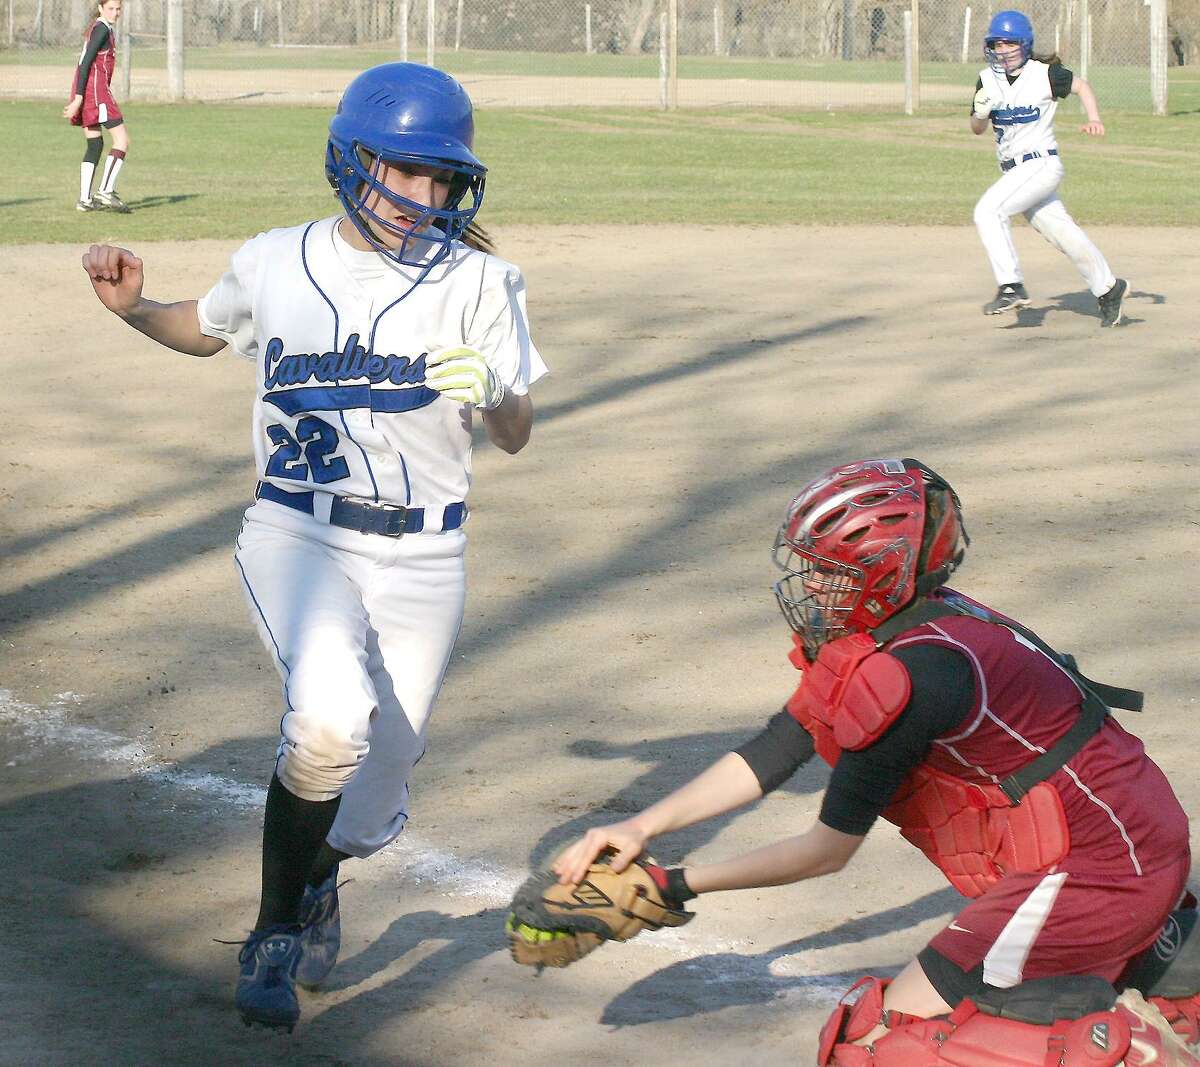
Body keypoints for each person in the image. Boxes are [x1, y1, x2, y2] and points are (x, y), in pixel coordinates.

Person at [80, 62, 547, 1032]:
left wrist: (494, 390)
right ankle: (272, 933)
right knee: (330, 722)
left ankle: (320, 876)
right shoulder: (274, 260)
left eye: (442, 180)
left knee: (372, 808)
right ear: (352, 160)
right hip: (297, 531)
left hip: (425, 556)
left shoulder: (481, 281)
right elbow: (208, 333)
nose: (423, 198)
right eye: (404, 172)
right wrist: (134, 307)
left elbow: (515, 431)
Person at [550, 458, 1199, 1065]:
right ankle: (1156, 969)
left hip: (1102, 871)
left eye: (831, 570)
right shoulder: (906, 627)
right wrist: (642, 828)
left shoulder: (914, 677)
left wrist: (676, 884)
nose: (812, 584)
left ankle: (1129, 1048)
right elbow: (779, 745)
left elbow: (826, 851)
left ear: (883, 573)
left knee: (885, 1042)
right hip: (1120, 844)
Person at [969, 10, 1128, 327]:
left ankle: (1011, 285)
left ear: (1025, 45)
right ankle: (1109, 288)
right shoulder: (986, 80)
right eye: (997, 45)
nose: (1003, 51)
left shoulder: (1044, 74)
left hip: (1041, 163)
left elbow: (1082, 86)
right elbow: (976, 129)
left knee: (988, 211)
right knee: (1063, 233)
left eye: (1010, 44)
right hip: (1015, 172)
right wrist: (980, 112)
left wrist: (1094, 118)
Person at [64, 0, 131, 213]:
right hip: (96, 93)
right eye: (111, 8)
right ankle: (105, 190)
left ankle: (84, 200)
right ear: (101, 8)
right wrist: (78, 99)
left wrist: (78, 96)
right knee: (122, 140)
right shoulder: (101, 29)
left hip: (88, 92)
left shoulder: (100, 28)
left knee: (95, 145)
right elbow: (84, 64)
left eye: (118, 9)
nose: (115, 13)